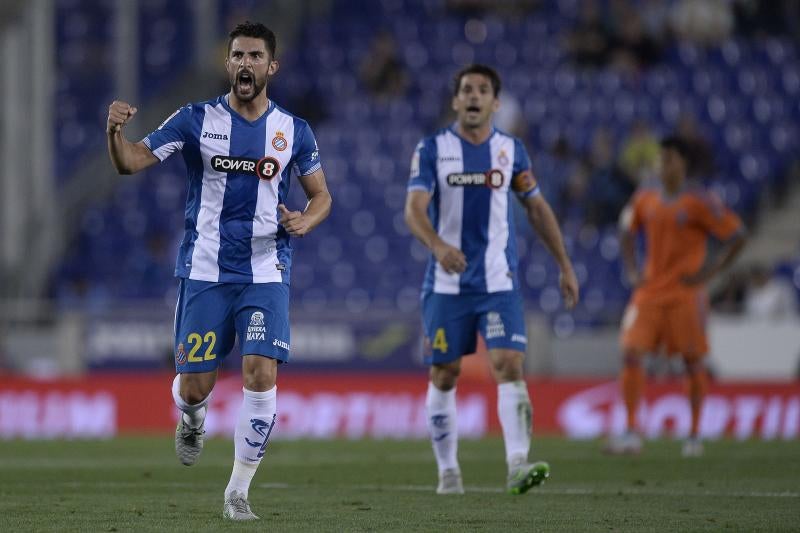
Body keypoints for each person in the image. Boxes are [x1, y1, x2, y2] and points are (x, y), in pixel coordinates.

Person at [106, 21, 332, 520]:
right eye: (237, 55)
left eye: (255, 56)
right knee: (195, 386)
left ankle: (238, 493)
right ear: (226, 64)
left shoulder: (293, 131)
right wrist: (114, 133)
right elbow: (132, 161)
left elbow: (321, 195)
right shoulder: (194, 119)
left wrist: (305, 221)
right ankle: (191, 416)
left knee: (260, 371)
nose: (245, 64)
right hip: (205, 270)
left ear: (271, 66)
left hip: (265, 270)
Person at [404, 64, 579, 495]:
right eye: (467, 90)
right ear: (456, 101)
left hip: (499, 282)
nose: (474, 96)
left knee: (508, 365)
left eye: (483, 90)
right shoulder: (432, 149)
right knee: (445, 374)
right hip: (447, 285)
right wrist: (438, 246)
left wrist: (565, 264)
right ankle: (448, 471)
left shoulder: (511, 150)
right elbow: (413, 209)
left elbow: (536, 208)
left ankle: (517, 464)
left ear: (496, 103)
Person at [611, 136, 745, 457]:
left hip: (685, 294)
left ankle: (695, 434)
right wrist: (632, 270)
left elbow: (737, 235)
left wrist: (710, 274)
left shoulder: (700, 202)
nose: (663, 165)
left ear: (683, 163)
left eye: (669, 158)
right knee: (631, 351)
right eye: (660, 159)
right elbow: (626, 227)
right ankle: (631, 432)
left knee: (691, 360)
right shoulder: (645, 198)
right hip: (649, 291)